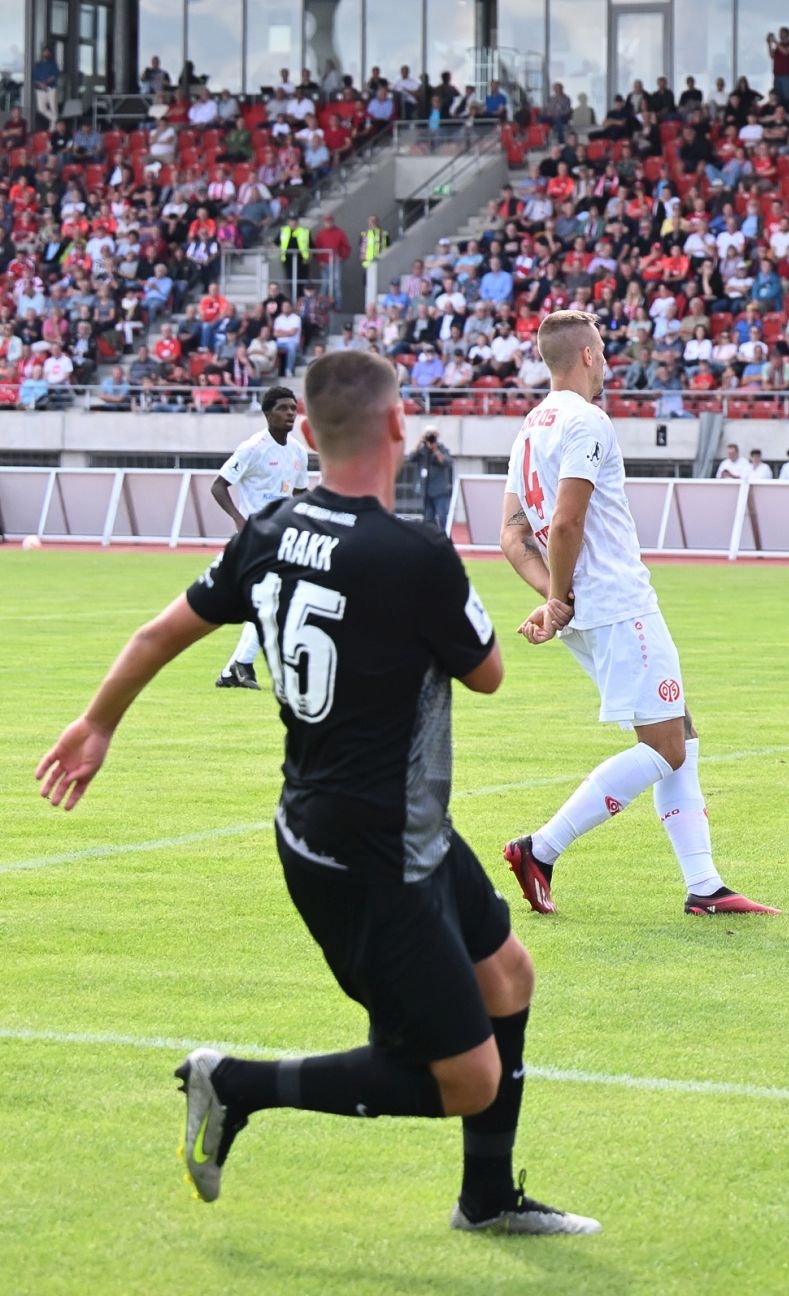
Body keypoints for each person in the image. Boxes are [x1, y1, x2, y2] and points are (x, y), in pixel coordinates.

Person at [33, 349, 598, 1235]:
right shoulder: (413, 552)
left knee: (510, 976)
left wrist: (97, 723)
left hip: (379, 827)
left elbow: (159, 631)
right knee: (469, 1077)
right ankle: (238, 1086)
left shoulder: (268, 534)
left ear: (303, 432)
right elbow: (487, 673)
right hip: (366, 856)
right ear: (400, 427)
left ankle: (487, 1199)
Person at [497, 312, 776, 918]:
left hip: (586, 609)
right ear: (589, 356)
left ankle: (704, 885)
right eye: (603, 350)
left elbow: (514, 533)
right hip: (618, 603)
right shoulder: (586, 420)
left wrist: (553, 597)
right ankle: (540, 848)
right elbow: (567, 520)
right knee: (666, 746)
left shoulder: (526, 430)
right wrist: (561, 597)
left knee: (680, 729)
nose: (608, 361)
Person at [209, 387, 307, 690]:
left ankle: (235, 669)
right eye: (283, 408)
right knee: (272, 603)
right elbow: (218, 486)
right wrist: (239, 519)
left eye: (293, 408)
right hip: (255, 538)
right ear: (268, 414)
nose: (290, 413)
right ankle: (238, 666)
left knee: (271, 604)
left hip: (282, 537)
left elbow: (300, 494)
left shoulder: (299, 452)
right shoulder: (252, 448)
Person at [410, 426, 455, 530]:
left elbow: (446, 462)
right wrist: (419, 442)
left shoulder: (442, 449)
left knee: (442, 516)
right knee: (428, 518)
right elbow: (411, 457)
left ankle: (445, 537)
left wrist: (435, 450)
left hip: (439, 491)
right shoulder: (422, 451)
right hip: (426, 490)